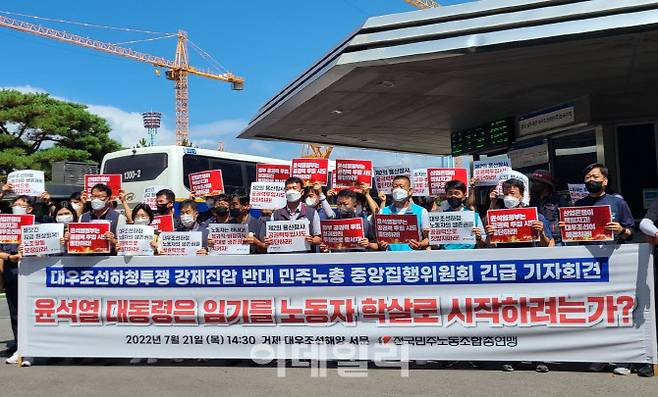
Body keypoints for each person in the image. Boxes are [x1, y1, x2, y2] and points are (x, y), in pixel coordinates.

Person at [0, 196, 37, 366]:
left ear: (30, 209)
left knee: (35, 312)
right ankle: (20, 347)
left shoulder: (40, 224)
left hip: (34, 274)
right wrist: (10, 256)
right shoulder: (5, 227)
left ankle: (35, 347)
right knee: (16, 313)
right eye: (15, 204)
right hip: (11, 272)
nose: (17, 207)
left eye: (21, 205)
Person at [570, 163, 634, 244]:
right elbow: (573, 234)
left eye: (595, 177)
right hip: (586, 253)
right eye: (587, 177)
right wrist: (566, 228)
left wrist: (621, 230)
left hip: (613, 252)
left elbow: (631, 234)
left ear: (605, 181)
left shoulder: (618, 203)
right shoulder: (579, 205)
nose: (591, 180)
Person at [485, 178, 554, 249]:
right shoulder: (498, 218)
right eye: (506, 194)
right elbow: (489, 244)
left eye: (512, 193)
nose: (508, 197)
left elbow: (546, 245)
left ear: (522, 196)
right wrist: (493, 202)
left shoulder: (535, 217)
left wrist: (541, 233)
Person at [263, 177, 322, 252]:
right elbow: (270, 238)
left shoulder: (312, 213)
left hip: (306, 259)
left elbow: (319, 238)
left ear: (302, 192)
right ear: (285, 191)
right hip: (283, 258)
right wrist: (268, 241)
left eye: (294, 188)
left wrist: (312, 240)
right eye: (288, 189)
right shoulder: (276, 214)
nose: (291, 191)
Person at [376, 175, 430, 251]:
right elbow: (379, 239)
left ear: (410, 191)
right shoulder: (383, 212)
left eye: (401, 187)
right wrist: (381, 245)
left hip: (413, 258)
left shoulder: (421, 212)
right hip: (390, 258)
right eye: (395, 187)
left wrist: (420, 244)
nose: (398, 189)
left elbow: (429, 238)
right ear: (392, 190)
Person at [437, 180, 486, 250]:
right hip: (446, 256)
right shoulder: (440, 217)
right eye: (450, 193)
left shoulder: (474, 216)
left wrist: (478, 238)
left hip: (468, 256)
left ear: (464, 195)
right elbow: (436, 246)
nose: (453, 196)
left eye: (457, 193)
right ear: (446, 195)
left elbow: (482, 244)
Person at [529, 169, 570, 244]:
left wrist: (566, 225)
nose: (534, 184)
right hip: (538, 239)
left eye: (537, 182)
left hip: (557, 241)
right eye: (533, 181)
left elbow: (567, 218)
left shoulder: (559, 199)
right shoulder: (533, 200)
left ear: (545, 184)